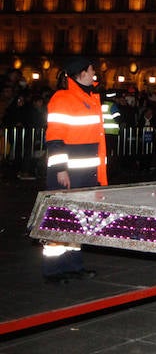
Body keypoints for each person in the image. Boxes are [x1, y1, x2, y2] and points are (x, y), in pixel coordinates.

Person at [42, 56, 106, 283]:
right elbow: (54, 138)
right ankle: (53, 270)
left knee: (78, 220)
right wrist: (60, 169)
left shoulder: (89, 97)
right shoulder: (63, 98)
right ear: (81, 73)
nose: (94, 75)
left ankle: (73, 265)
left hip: (85, 172)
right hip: (68, 172)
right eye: (91, 71)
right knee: (60, 220)